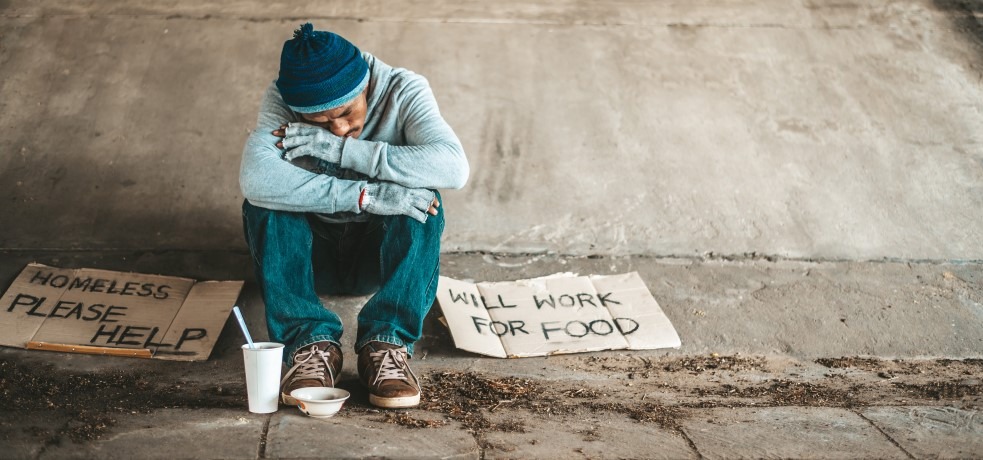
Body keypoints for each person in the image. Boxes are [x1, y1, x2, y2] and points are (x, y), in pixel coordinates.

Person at [239, 23, 469, 409]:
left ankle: (387, 344)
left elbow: (454, 168)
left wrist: (341, 152)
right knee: (264, 204)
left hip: (375, 257)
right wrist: (366, 195)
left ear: (367, 84)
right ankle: (310, 344)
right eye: (319, 122)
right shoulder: (283, 97)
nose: (341, 128)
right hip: (310, 257)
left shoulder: (403, 88)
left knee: (422, 200)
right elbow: (256, 177)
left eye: (346, 112)